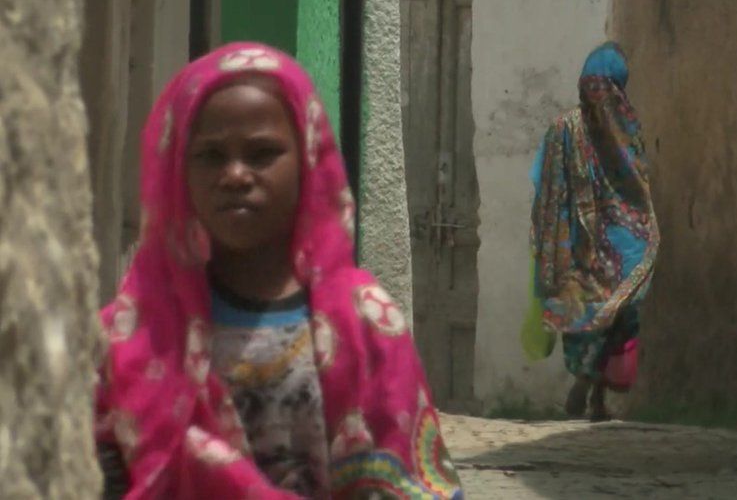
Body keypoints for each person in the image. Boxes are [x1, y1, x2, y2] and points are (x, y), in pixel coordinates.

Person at [94, 42, 463, 499]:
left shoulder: (366, 322)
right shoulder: (131, 335)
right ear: (177, 170)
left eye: (262, 153)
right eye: (210, 156)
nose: (235, 175)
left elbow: (407, 479)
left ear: (308, 159)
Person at [529, 42, 660, 421]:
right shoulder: (625, 127)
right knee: (618, 309)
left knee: (592, 312)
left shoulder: (562, 127)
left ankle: (589, 388)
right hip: (620, 242)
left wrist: (553, 238)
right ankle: (592, 392)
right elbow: (639, 183)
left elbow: (545, 189)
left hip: (577, 246)